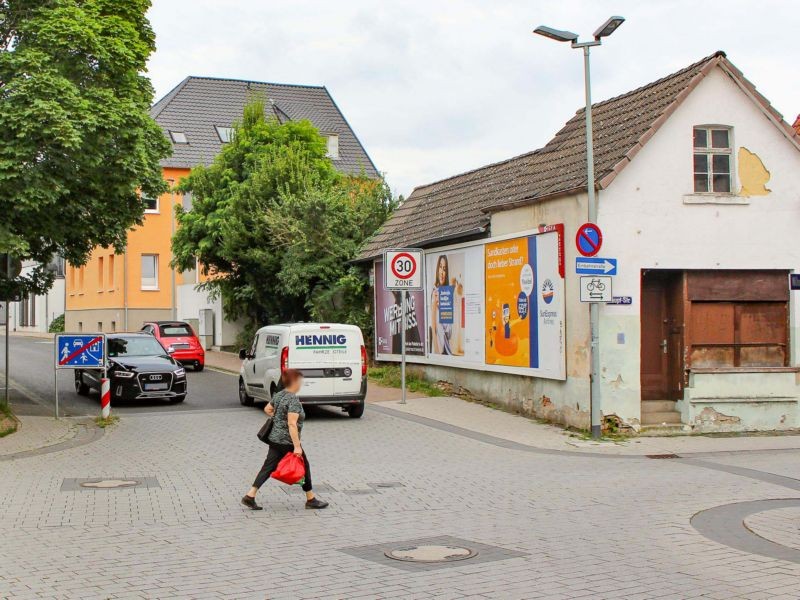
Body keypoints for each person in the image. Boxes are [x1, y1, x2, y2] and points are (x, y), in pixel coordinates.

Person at [241, 369, 328, 510]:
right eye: (299, 381)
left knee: (268, 467)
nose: (301, 384)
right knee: (304, 466)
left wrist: (278, 417)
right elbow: (292, 424)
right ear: (294, 382)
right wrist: (297, 446)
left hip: (274, 439)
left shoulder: (280, 395)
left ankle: (250, 496)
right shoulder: (293, 399)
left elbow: (267, 409)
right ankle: (311, 499)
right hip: (287, 441)